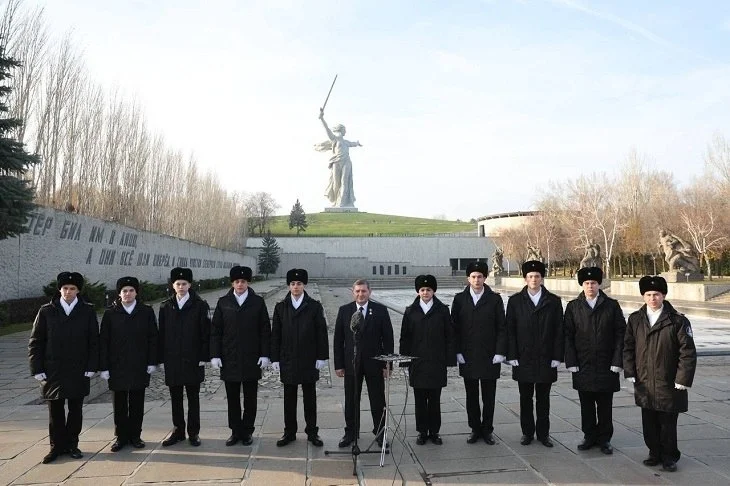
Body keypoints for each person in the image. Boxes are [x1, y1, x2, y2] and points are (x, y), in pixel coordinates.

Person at [624, 276, 697, 472]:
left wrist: (682, 379)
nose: (652, 298)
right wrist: (630, 370)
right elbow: (628, 347)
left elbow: (687, 352)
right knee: (649, 421)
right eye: (648, 294)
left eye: (656, 294)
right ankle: (654, 453)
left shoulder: (677, 320)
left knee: (667, 422)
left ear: (663, 295)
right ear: (643, 296)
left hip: (668, 381)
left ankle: (669, 456)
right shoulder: (635, 319)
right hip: (644, 380)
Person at [28, 271, 99, 464]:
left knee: (75, 410)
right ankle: (56, 447)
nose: (68, 292)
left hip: (78, 368)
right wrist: (37, 368)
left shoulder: (87, 310)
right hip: (53, 369)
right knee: (55, 411)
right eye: (65, 288)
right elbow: (36, 341)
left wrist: (92, 365)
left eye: (72, 288)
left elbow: (94, 341)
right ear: (59, 289)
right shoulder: (46, 311)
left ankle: (72, 444)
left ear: (78, 290)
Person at [564, 267, 625, 455]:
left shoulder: (611, 306)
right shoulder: (573, 307)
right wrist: (571, 361)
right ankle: (589, 436)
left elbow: (621, 334)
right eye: (587, 283)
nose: (590, 286)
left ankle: (605, 439)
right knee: (586, 404)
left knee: (605, 405)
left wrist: (618, 360)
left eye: (594, 283)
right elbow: (567, 336)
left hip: (607, 364)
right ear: (582, 285)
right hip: (583, 363)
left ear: (599, 284)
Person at [210, 265, 271, 447]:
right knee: (233, 398)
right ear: (232, 283)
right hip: (229, 357)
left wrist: (265, 354)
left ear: (248, 282)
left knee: (250, 397)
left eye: (243, 281)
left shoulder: (257, 302)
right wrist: (215, 354)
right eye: (237, 281)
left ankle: (248, 431)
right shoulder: (223, 302)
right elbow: (216, 331)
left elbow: (265, 329)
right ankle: (235, 431)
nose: (240, 284)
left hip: (251, 357)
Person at [506, 260, 564, 448]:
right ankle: (527, 433)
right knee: (525, 398)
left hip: (546, 357)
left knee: (543, 399)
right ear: (525, 279)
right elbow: (510, 330)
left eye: (537, 276)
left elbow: (559, 330)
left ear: (542, 278)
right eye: (530, 276)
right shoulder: (515, 301)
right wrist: (512, 355)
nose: (534, 279)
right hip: (523, 358)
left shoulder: (553, 301)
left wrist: (557, 356)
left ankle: (544, 434)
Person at [270, 268, 329, 447]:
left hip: (308, 358)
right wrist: (275, 358)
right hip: (287, 358)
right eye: (293, 283)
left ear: (304, 285)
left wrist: (322, 357)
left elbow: (321, 333)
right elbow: (275, 335)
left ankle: (312, 432)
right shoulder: (281, 307)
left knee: (310, 398)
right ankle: (289, 432)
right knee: (289, 398)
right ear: (289, 286)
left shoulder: (314, 306)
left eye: (299, 283)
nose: (296, 287)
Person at [99, 276, 158, 452]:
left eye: (131, 290)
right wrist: (104, 366)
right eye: (124, 290)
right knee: (119, 403)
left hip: (139, 363)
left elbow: (153, 337)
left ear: (136, 292)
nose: (128, 293)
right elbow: (103, 341)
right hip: (117, 365)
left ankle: (135, 435)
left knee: (137, 402)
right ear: (119, 293)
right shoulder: (110, 313)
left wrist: (152, 361)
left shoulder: (146, 311)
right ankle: (121, 437)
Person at [333, 279, 394, 448]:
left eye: (364, 291)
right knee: (351, 399)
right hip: (351, 363)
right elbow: (338, 340)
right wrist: (338, 364)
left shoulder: (380, 310)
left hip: (375, 363)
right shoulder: (344, 310)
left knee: (378, 400)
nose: (361, 294)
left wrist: (388, 364)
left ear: (369, 292)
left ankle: (380, 433)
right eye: (358, 291)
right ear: (352, 292)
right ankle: (351, 432)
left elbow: (388, 338)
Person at [452, 261, 506, 445]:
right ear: (468, 278)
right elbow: (454, 328)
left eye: (480, 276)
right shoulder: (460, 299)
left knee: (489, 396)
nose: (476, 280)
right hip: (468, 355)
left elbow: (501, 327)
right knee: (471, 395)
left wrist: (500, 352)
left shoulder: (495, 299)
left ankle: (487, 429)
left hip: (490, 355)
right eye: (473, 277)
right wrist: (457, 351)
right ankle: (475, 429)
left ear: (485, 278)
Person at [399, 275, 456, 446]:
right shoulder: (410, 311)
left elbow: (449, 336)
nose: (425, 292)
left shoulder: (442, 310)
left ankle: (434, 431)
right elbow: (405, 338)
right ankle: (422, 432)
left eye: (429, 290)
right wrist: (405, 360)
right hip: (417, 362)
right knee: (420, 400)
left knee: (435, 399)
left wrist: (450, 359)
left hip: (436, 362)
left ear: (434, 291)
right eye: (422, 290)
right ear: (418, 291)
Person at [158, 267, 211, 447]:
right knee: (175, 397)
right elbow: (161, 334)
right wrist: (161, 358)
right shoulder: (165, 306)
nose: (181, 287)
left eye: (184, 283)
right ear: (173, 285)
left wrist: (204, 356)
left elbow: (206, 333)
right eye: (178, 284)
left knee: (193, 398)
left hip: (193, 358)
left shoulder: (200, 305)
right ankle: (178, 431)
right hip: (172, 359)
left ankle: (193, 433)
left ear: (190, 285)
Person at [314, 109, 362, 207]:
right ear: (341, 130)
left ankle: (342, 202)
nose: (346, 131)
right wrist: (322, 118)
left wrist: (357, 143)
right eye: (345, 130)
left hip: (346, 162)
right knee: (336, 183)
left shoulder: (346, 142)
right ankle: (336, 201)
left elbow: (353, 144)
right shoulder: (334, 139)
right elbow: (327, 129)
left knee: (344, 182)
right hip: (336, 162)